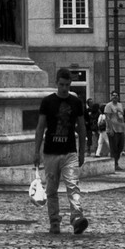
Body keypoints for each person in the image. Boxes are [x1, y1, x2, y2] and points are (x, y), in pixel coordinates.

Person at [33, 67, 89, 235]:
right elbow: (40, 127)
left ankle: (77, 218)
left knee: (73, 185)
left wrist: (82, 151)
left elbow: (82, 127)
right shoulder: (48, 102)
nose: (65, 88)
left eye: (68, 85)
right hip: (50, 152)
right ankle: (54, 221)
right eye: (62, 84)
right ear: (56, 83)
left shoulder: (76, 102)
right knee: (51, 189)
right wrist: (36, 151)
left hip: (69, 151)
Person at [104, 91, 125, 170]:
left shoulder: (120, 105)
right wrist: (110, 129)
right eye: (113, 95)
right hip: (113, 129)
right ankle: (114, 164)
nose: (115, 97)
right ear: (111, 97)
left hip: (120, 129)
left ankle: (116, 162)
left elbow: (121, 116)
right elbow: (108, 118)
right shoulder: (108, 106)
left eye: (116, 96)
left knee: (120, 147)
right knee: (114, 148)